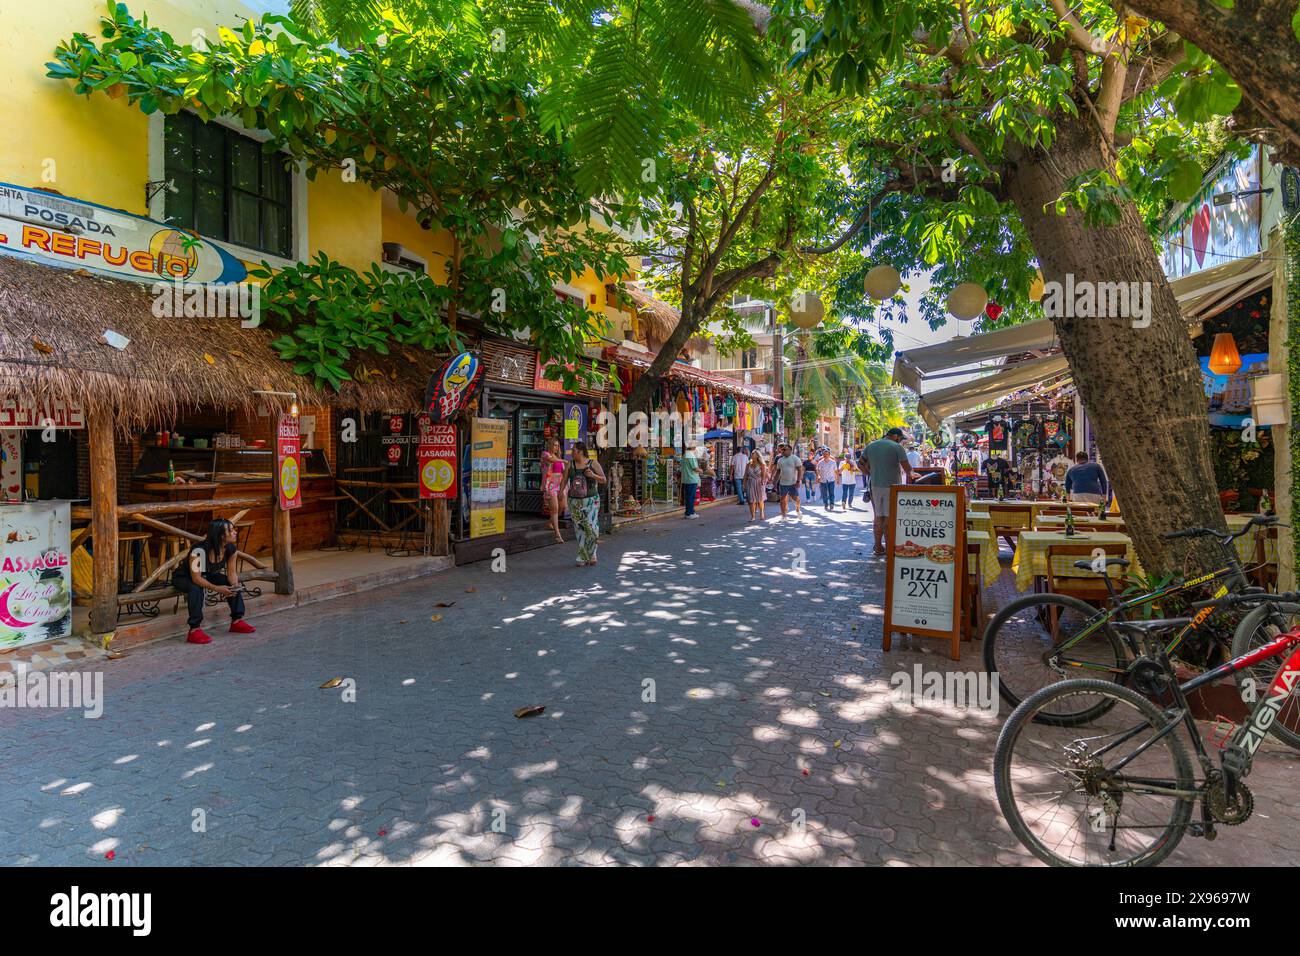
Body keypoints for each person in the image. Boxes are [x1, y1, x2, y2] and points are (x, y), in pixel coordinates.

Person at [172, 518, 255, 645]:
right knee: (196, 587)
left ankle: (237, 621)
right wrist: (217, 589)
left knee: (230, 584)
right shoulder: (198, 551)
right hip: (185, 577)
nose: (235, 533)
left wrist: (234, 586)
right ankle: (194, 630)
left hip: (208, 575)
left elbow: (232, 573)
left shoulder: (231, 549)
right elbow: (196, 578)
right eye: (231, 531)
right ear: (221, 536)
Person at [863, 427, 915, 555]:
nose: (900, 441)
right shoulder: (897, 447)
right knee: (889, 517)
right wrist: (914, 474)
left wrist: (871, 474)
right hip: (892, 487)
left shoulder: (871, 446)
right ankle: (890, 547)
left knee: (878, 517)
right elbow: (907, 468)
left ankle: (878, 547)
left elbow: (860, 464)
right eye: (900, 439)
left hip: (875, 485)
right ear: (896, 436)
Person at [561, 443, 607, 566]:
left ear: (580, 452)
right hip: (574, 501)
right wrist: (561, 493)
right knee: (579, 527)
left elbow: (604, 479)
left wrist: (593, 475)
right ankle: (582, 555)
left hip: (591, 500)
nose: (572, 453)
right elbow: (564, 480)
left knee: (591, 526)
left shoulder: (593, 463)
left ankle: (592, 553)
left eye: (574, 450)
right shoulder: (570, 464)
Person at [541, 437, 566, 543]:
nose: (556, 447)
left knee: (563, 506)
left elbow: (563, 471)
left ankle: (550, 522)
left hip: (559, 484)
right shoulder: (545, 454)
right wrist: (564, 460)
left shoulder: (558, 456)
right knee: (554, 508)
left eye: (558, 445)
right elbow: (552, 460)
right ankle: (557, 534)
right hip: (550, 485)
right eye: (555, 445)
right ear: (550, 445)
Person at [772, 443, 805, 519]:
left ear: (790, 450)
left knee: (795, 499)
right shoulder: (780, 460)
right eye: (782, 449)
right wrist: (774, 481)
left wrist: (798, 481)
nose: (782, 451)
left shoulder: (795, 458)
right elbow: (778, 471)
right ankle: (784, 515)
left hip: (793, 483)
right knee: (782, 499)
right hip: (783, 483)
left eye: (784, 449)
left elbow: (800, 470)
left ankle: (797, 510)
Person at [744, 448, 768, 521]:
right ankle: (753, 516)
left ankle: (762, 513)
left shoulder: (762, 464)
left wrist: (763, 482)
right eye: (751, 454)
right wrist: (744, 484)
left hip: (759, 483)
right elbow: (745, 475)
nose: (751, 455)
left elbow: (764, 475)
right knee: (751, 501)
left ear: (757, 455)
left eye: (753, 454)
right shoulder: (748, 465)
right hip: (750, 483)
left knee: (760, 500)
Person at [680, 444, 701, 519]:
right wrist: (701, 470)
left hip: (686, 479)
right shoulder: (690, 455)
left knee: (688, 497)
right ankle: (689, 513)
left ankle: (689, 512)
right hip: (691, 479)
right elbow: (695, 468)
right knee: (691, 497)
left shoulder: (685, 455)